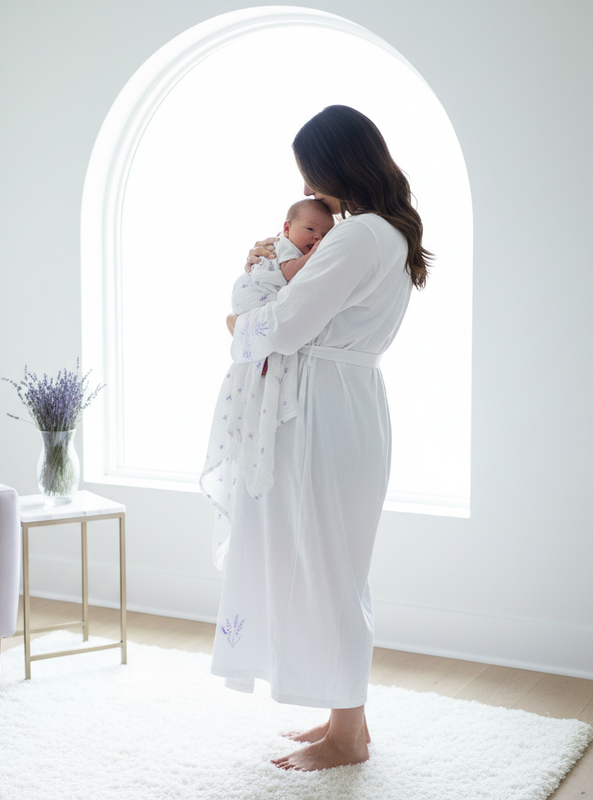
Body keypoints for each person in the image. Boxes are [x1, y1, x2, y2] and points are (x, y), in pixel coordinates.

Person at [207, 105, 432, 772]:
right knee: (332, 562)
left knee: (328, 566)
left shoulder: (358, 235)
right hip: (340, 402)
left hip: (320, 410)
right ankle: (342, 718)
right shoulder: (384, 232)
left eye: (312, 173)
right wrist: (276, 271)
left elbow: (283, 326)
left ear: (336, 165)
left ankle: (347, 735)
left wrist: (239, 317)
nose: (309, 188)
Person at [200, 199, 334, 526]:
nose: (317, 238)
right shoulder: (283, 250)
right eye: (310, 230)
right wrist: (314, 256)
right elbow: (288, 273)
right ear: (287, 228)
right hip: (254, 301)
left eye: (324, 234)